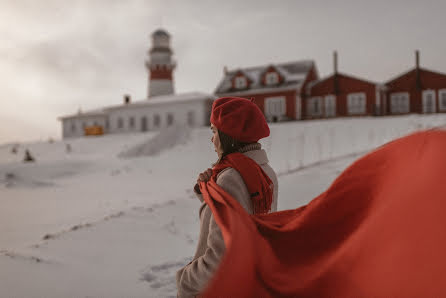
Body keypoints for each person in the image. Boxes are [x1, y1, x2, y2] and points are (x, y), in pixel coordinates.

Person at [176, 97, 279, 297]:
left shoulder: (231, 178)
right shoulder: (266, 172)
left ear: (228, 136)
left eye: (214, 131)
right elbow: (246, 224)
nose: (212, 138)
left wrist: (186, 280)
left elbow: (221, 257)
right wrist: (208, 195)